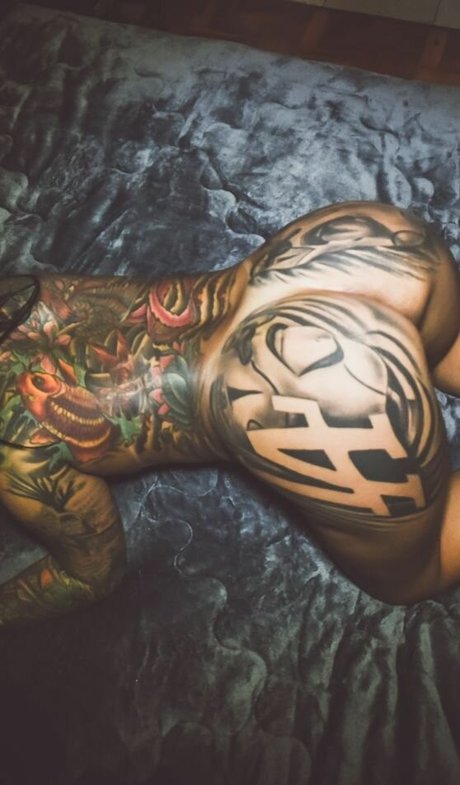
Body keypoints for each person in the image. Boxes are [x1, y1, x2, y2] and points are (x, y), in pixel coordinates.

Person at [1, 200, 460, 625]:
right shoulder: (15, 293)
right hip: (342, 248)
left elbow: (91, 575)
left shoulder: (15, 451)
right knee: (443, 347)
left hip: (296, 387)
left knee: (416, 573)